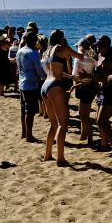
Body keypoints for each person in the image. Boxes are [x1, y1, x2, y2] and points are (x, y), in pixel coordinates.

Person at [42, 30, 83, 167]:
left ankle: (48, 155)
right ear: (61, 38)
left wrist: (71, 76)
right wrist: (82, 50)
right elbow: (80, 57)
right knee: (62, 123)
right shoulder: (61, 47)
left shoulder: (46, 52)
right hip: (55, 86)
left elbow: (54, 71)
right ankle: (60, 158)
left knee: (53, 124)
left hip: (45, 86)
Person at [17, 31, 47, 141]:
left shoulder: (20, 51)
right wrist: (46, 76)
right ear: (33, 40)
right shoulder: (33, 53)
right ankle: (29, 136)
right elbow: (39, 71)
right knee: (30, 111)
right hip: (31, 84)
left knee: (23, 109)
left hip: (22, 83)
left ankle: (24, 133)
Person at [95, 35, 112, 155]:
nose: (98, 48)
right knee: (101, 121)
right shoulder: (100, 56)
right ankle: (105, 144)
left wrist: (89, 77)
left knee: (101, 121)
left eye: (100, 46)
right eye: (97, 46)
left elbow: (104, 79)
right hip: (103, 91)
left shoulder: (107, 61)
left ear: (106, 47)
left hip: (110, 92)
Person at [73, 35, 100, 147]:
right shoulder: (93, 58)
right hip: (90, 86)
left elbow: (74, 74)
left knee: (84, 116)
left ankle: (89, 138)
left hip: (83, 86)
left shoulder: (78, 59)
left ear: (81, 47)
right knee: (83, 113)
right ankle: (84, 135)